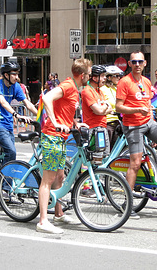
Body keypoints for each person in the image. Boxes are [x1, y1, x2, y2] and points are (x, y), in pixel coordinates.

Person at [115, 51, 157, 218]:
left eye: (140, 61)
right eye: (134, 62)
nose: (137, 64)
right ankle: (126, 204)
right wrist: (137, 109)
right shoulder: (124, 82)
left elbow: (148, 100)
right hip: (133, 126)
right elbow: (118, 107)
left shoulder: (146, 81)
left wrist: (154, 108)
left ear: (144, 63)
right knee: (135, 163)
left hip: (149, 123)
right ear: (129, 64)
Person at [36, 58, 92, 234]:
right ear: (82, 75)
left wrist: (75, 123)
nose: (89, 78)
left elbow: (64, 109)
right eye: (89, 75)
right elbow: (47, 98)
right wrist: (55, 122)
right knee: (48, 180)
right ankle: (43, 221)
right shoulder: (68, 86)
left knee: (60, 177)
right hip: (52, 135)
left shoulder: (75, 89)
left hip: (61, 136)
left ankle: (58, 214)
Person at [0, 62, 37, 165]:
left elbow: (27, 103)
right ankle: (5, 180)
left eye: (17, 74)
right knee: (11, 152)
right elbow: (3, 102)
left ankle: (1, 178)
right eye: (14, 74)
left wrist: (42, 116)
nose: (16, 77)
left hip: (8, 124)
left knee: (10, 155)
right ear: (6, 75)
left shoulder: (16, 86)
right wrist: (16, 114)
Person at [81, 65, 113, 159]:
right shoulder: (87, 91)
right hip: (93, 129)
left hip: (103, 127)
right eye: (102, 76)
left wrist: (104, 108)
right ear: (94, 78)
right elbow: (98, 110)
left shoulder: (100, 91)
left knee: (105, 156)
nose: (105, 78)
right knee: (96, 158)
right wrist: (105, 107)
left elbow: (110, 109)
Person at [100, 68, 121, 148]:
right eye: (116, 76)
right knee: (106, 148)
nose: (119, 78)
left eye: (119, 76)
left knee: (115, 149)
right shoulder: (103, 89)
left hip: (117, 121)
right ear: (109, 77)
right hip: (108, 122)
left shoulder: (116, 89)